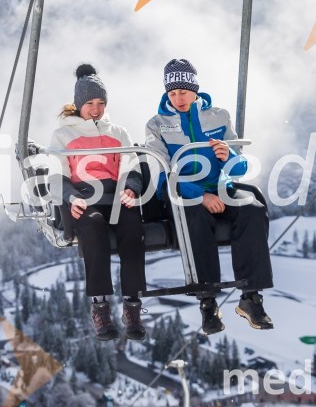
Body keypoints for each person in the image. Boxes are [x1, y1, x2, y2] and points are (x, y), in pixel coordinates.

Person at [145, 58, 274, 335]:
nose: (178, 98)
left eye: (183, 91)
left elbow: (239, 166)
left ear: (195, 90)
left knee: (251, 208)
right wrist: (198, 196)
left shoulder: (219, 116)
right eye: (172, 93)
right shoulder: (158, 124)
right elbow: (165, 169)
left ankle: (250, 297)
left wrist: (229, 158)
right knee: (195, 216)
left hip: (220, 187)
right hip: (179, 192)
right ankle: (208, 301)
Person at [49, 63, 147, 341]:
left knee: (132, 229)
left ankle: (133, 306)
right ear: (78, 104)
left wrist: (130, 187)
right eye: (90, 103)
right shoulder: (63, 135)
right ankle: (101, 307)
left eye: (101, 103)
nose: (95, 109)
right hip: (84, 199)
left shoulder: (118, 133)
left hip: (116, 197)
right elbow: (57, 175)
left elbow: (131, 166)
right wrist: (71, 196)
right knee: (93, 229)